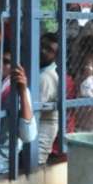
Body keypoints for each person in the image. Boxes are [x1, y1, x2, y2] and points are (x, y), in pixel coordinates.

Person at [0, 52, 36, 175]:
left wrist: (22, 92)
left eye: (6, 62)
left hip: (1, 164)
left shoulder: (15, 91)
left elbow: (28, 135)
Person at [37, 33, 60, 166]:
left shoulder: (46, 77)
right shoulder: (42, 71)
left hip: (38, 142)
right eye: (42, 46)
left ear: (55, 56)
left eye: (49, 50)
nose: (43, 51)